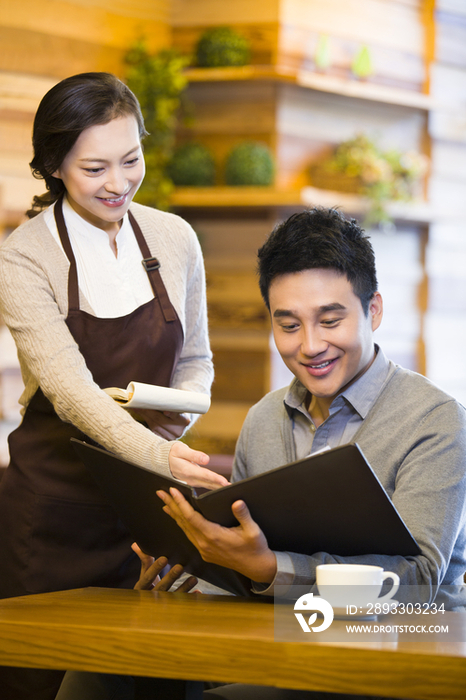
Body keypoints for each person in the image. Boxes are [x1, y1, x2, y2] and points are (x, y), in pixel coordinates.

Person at [0, 71, 228, 700]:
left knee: (144, 675)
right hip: (53, 512)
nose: (119, 182)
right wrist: (163, 455)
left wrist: (177, 423)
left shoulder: (175, 237)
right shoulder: (23, 258)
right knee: (40, 681)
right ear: (54, 166)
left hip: (142, 510)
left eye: (132, 160)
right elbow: (71, 395)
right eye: (95, 167)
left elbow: (198, 360)